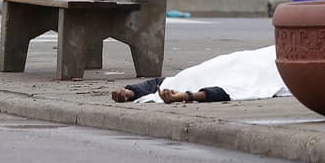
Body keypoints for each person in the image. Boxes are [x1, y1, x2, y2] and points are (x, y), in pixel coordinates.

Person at [110, 45, 288, 104]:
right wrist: (132, 91)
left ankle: (182, 94)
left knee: (242, 83)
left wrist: (187, 96)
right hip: (255, 57)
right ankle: (134, 93)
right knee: (199, 72)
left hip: (272, 68)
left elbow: (238, 91)